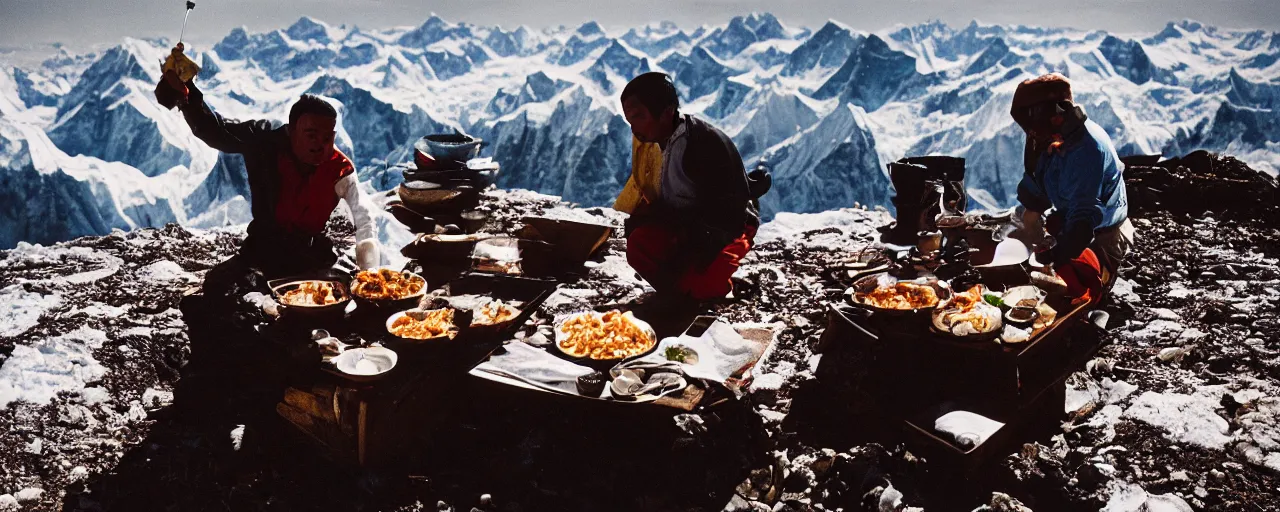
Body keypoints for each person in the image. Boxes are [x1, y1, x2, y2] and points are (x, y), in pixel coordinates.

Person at [155, 54, 379, 302]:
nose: (320, 145)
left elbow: (364, 218)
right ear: (292, 130)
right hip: (262, 250)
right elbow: (216, 131)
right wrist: (187, 94)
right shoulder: (264, 142)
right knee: (218, 291)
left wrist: (370, 273)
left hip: (311, 254)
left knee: (329, 298)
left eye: (328, 137)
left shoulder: (340, 169)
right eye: (311, 135)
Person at [614, 72, 760, 301]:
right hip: (686, 226)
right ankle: (678, 293)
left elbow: (728, 215)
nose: (633, 128)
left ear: (667, 112)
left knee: (703, 285)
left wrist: (687, 248)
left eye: (639, 116)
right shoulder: (651, 143)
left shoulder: (703, 145)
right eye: (630, 120)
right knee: (639, 246)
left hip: (729, 227)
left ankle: (716, 287)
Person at [1010, 73, 1136, 304]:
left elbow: (1083, 220)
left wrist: (1056, 257)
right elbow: (1036, 180)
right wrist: (1030, 217)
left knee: (1072, 293)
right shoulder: (1048, 136)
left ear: (1058, 114)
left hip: (1104, 233)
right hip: (1070, 216)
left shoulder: (1088, 150)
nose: (1031, 133)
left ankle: (1100, 280)